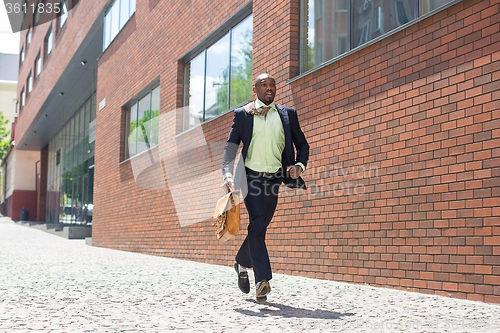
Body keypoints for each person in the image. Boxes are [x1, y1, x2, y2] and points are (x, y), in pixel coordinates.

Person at [222, 73, 309, 302]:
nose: (269, 88)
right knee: (258, 220)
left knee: (260, 225)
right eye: (264, 85)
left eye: (272, 84)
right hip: (251, 178)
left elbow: (302, 143)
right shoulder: (243, 114)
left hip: (275, 178)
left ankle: (241, 262)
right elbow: (231, 147)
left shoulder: (287, 114)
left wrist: (299, 164)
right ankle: (263, 280)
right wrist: (227, 174)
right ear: (255, 89)